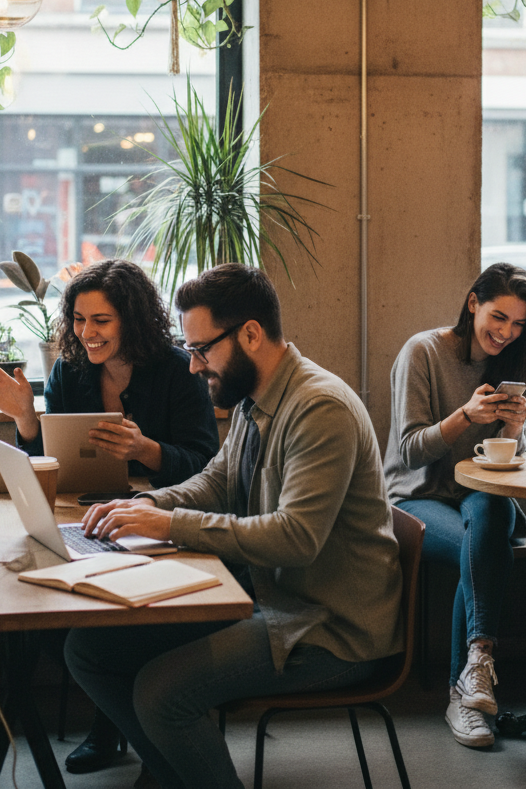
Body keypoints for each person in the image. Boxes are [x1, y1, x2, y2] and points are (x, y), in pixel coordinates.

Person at [63, 263, 403, 789]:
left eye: (202, 350)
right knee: (88, 650)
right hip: (267, 598)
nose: (194, 367)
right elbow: (214, 482)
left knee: (161, 693)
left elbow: (296, 538)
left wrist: (168, 523)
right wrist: (143, 505)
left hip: (327, 629)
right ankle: (176, 774)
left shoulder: (319, 408)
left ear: (250, 333)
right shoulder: (253, 396)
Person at [0, 257, 218, 774]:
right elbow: (50, 463)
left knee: (121, 625)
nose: (86, 333)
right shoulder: (71, 368)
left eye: (100, 321)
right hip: (90, 516)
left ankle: (124, 731)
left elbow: (206, 467)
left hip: (163, 523)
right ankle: (120, 722)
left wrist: (147, 450)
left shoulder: (178, 369)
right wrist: (26, 419)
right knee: (53, 617)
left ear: (131, 318)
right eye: (79, 320)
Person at [384, 261, 526, 748]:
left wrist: (514, 432)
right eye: (498, 317)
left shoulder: (514, 364)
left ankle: (473, 674)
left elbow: (501, 464)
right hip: (417, 496)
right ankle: (468, 690)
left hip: (478, 495)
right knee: (477, 547)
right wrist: (464, 416)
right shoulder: (423, 352)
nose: (506, 333)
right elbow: (412, 450)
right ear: (473, 302)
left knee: (492, 512)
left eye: (519, 325)